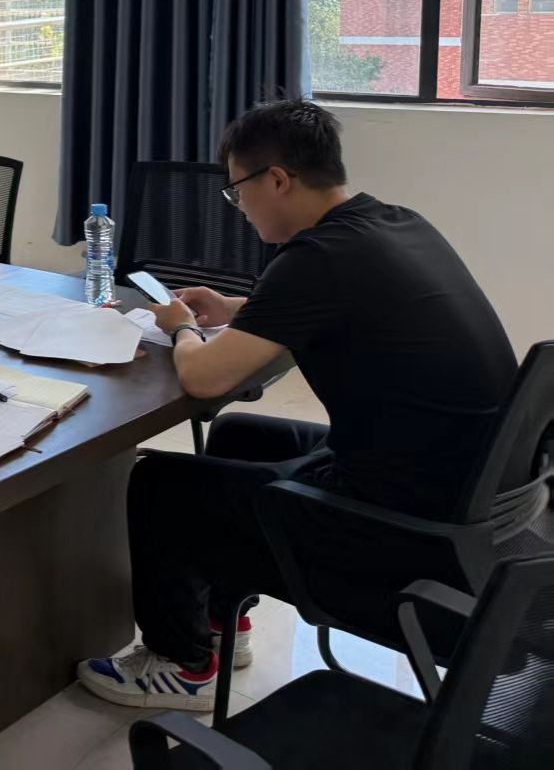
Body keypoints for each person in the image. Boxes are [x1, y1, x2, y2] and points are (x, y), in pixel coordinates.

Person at [78, 99, 518, 712]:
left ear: (278, 179)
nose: (239, 207)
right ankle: (224, 620)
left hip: (404, 522)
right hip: (466, 483)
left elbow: (203, 377)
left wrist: (182, 327)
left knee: (161, 485)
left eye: (238, 191)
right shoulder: (391, 223)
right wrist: (235, 308)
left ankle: (183, 665)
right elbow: (332, 304)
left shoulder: (317, 259)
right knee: (240, 436)